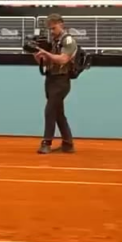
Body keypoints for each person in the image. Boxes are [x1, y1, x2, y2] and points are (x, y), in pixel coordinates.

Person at [33, 13, 77, 154]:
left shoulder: (68, 40)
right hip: (51, 79)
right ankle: (68, 143)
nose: (51, 31)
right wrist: (36, 53)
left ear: (61, 25)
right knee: (58, 112)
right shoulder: (53, 42)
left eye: (53, 28)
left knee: (50, 110)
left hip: (61, 80)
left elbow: (63, 59)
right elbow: (46, 62)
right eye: (50, 29)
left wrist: (46, 53)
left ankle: (46, 142)